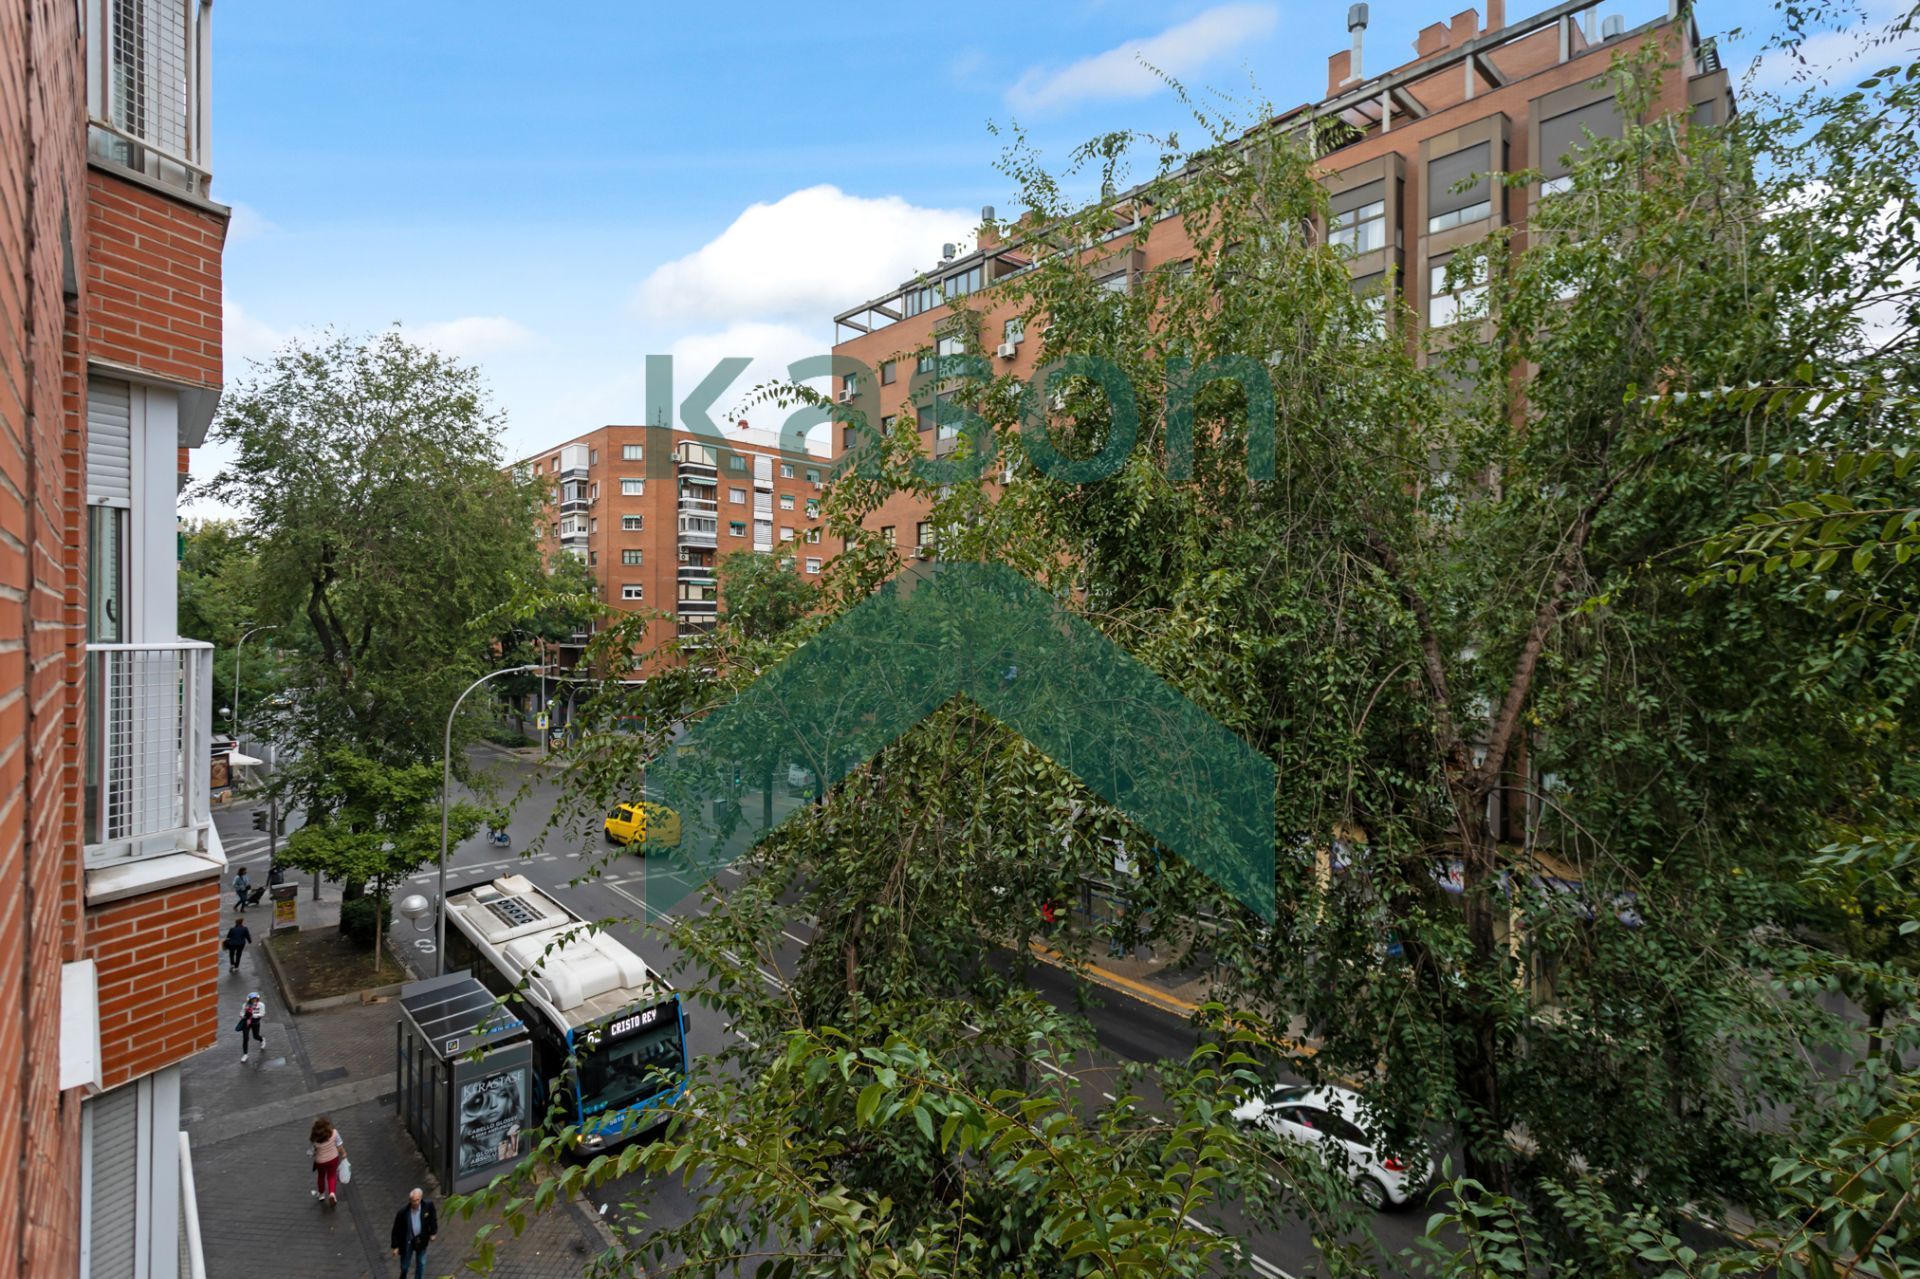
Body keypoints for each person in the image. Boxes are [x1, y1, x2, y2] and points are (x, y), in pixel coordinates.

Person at [389, 1187, 437, 1278]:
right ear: (410, 1200)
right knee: (405, 1266)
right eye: (413, 1201)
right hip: (408, 1241)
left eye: (417, 1200)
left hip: (421, 1239)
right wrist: (395, 1246)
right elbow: (396, 1229)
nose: (416, 1203)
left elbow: (433, 1219)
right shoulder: (403, 1212)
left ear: (421, 1198)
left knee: (421, 1263)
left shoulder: (428, 1206)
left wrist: (433, 1232)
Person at [309, 1116, 345, 1205]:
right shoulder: (334, 1133)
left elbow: (313, 1152)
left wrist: (311, 1153)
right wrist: (343, 1153)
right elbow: (339, 1145)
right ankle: (332, 1193)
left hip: (320, 1161)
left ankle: (321, 1194)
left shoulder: (315, 1140)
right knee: (331, 1176)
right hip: (333, 1159)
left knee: (321, 1176)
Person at [235, 991, 265, 1062]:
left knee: (256, 1036)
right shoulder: (245, 1005)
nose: (254, 1000)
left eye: (255, 999)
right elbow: (241, 1012)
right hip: (246, 1023)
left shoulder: (261, 1005)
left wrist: (254, 1015)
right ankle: (245, 1054)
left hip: (255, 1022)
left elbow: (262, 1013)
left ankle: (262, 1039)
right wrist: (242, 1016)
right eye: (253, 999)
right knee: (245, 1038)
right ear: (249, 999)